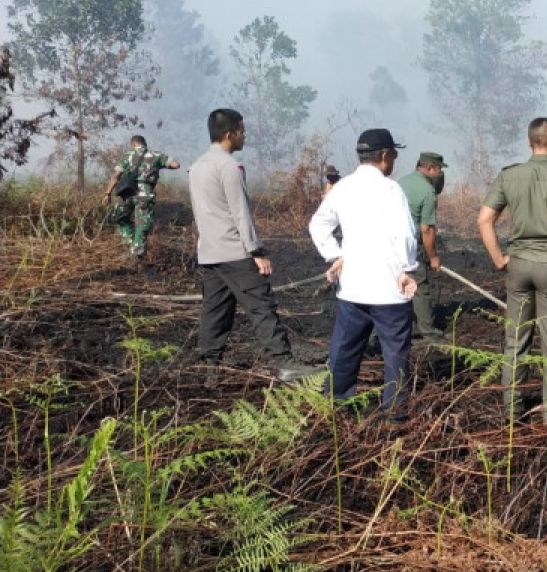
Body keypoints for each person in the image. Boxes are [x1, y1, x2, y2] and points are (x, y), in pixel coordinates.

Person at [188, 108, 319, 382]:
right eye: (242, 131)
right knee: (262, 307)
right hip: (235, 252)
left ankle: (207, 370)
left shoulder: (197, 166)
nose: (244, 136)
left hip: (210, 252)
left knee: (215, 311)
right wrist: (256, 251)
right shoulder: (229, 167)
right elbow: (240, 212)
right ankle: (284, 363)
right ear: (229, 134)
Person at [477, 117, 547, 422]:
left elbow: (484, 220)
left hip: (518, 266)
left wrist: (499, 258)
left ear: (530, 143)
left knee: (516, 339)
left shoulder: (509, 176)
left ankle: (512, 411)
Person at [309, 129, 420, 417]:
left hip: (353, 288)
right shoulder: (391, 190)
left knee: (344, 349)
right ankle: (394, 411)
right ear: (384, 156)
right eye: (394, 154)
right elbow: (405, 236)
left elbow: (318, 225)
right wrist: (407, 269)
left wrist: (335, 255)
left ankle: (335, 403)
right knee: (394, 352)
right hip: (389, 290)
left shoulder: (342, 188)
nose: (394, 159)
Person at [103, 134, 180, 258]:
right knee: (142, 224)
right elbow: (176, 164)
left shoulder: (128, 155)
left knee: (119, 217)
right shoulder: (156, 155)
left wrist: (108, 193)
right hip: (145, 193)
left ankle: (130, 244)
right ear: (145, 144)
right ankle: (136, 252)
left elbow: (115, 176)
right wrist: (159, 166)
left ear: (133, 144)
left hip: (127, 193)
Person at [398, 151, 447, 339]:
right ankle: (428, 332)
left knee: (390, 285)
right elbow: (426, 229)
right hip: (411, 245)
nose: (440, 174)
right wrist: (433, 257)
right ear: (430, 168)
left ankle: (375, 334)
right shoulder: (428, 192)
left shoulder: (400, 182)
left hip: (392, 243)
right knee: (420, 285)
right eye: (439, 170)